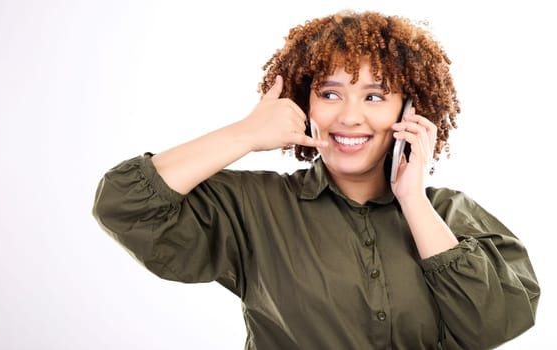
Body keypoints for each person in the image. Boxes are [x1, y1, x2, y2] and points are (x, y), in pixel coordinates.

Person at [92, 9, 540, 349]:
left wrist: (413, 200)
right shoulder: (254, 205)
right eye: (330, 93)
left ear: (410, 111)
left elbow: (495, 324)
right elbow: (126, 203)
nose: (349, 116)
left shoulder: (449, 214)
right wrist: (246, 134)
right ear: (305, 102)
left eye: (375, 96)